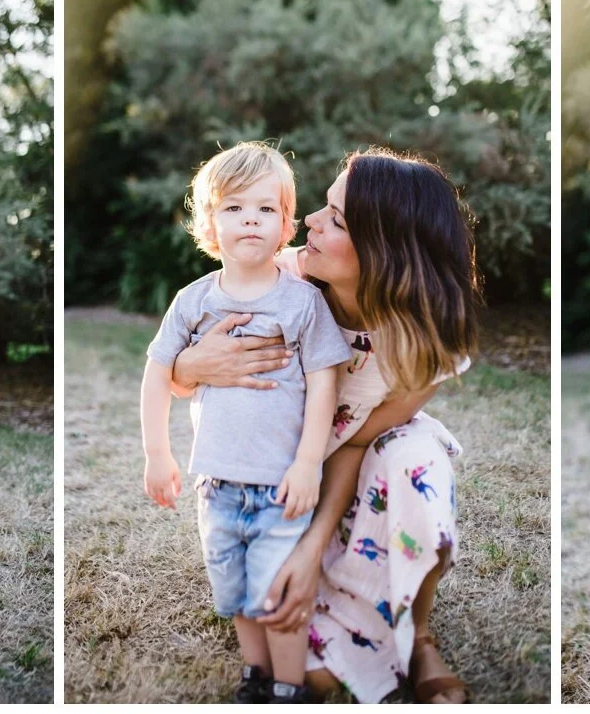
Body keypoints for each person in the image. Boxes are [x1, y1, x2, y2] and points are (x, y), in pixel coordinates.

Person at [168, 148, 480, 703]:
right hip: (275, 482)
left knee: (415, 455)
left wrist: (313, 547)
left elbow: (356, 443)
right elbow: (177, 373)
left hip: (350, 478)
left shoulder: (427, 339)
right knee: (316, 674)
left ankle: (420, 636)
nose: (309, 219)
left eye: (335, 219)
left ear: (382, 252)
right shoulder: (284, 283)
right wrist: (191, 366)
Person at [142, 142, 351, 703]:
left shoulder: (302, 303)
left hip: (279, 480)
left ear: (286, 222)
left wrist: (308, 463)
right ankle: (254, 676)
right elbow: (158, 371)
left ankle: (289, 688)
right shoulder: (192, 302)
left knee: (276, 593)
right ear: (209, 224)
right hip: (216, 482)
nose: (250, 219)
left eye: (264, 208)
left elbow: (324, 385)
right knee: (234, 590)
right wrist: (157, 454)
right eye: (233, 208)